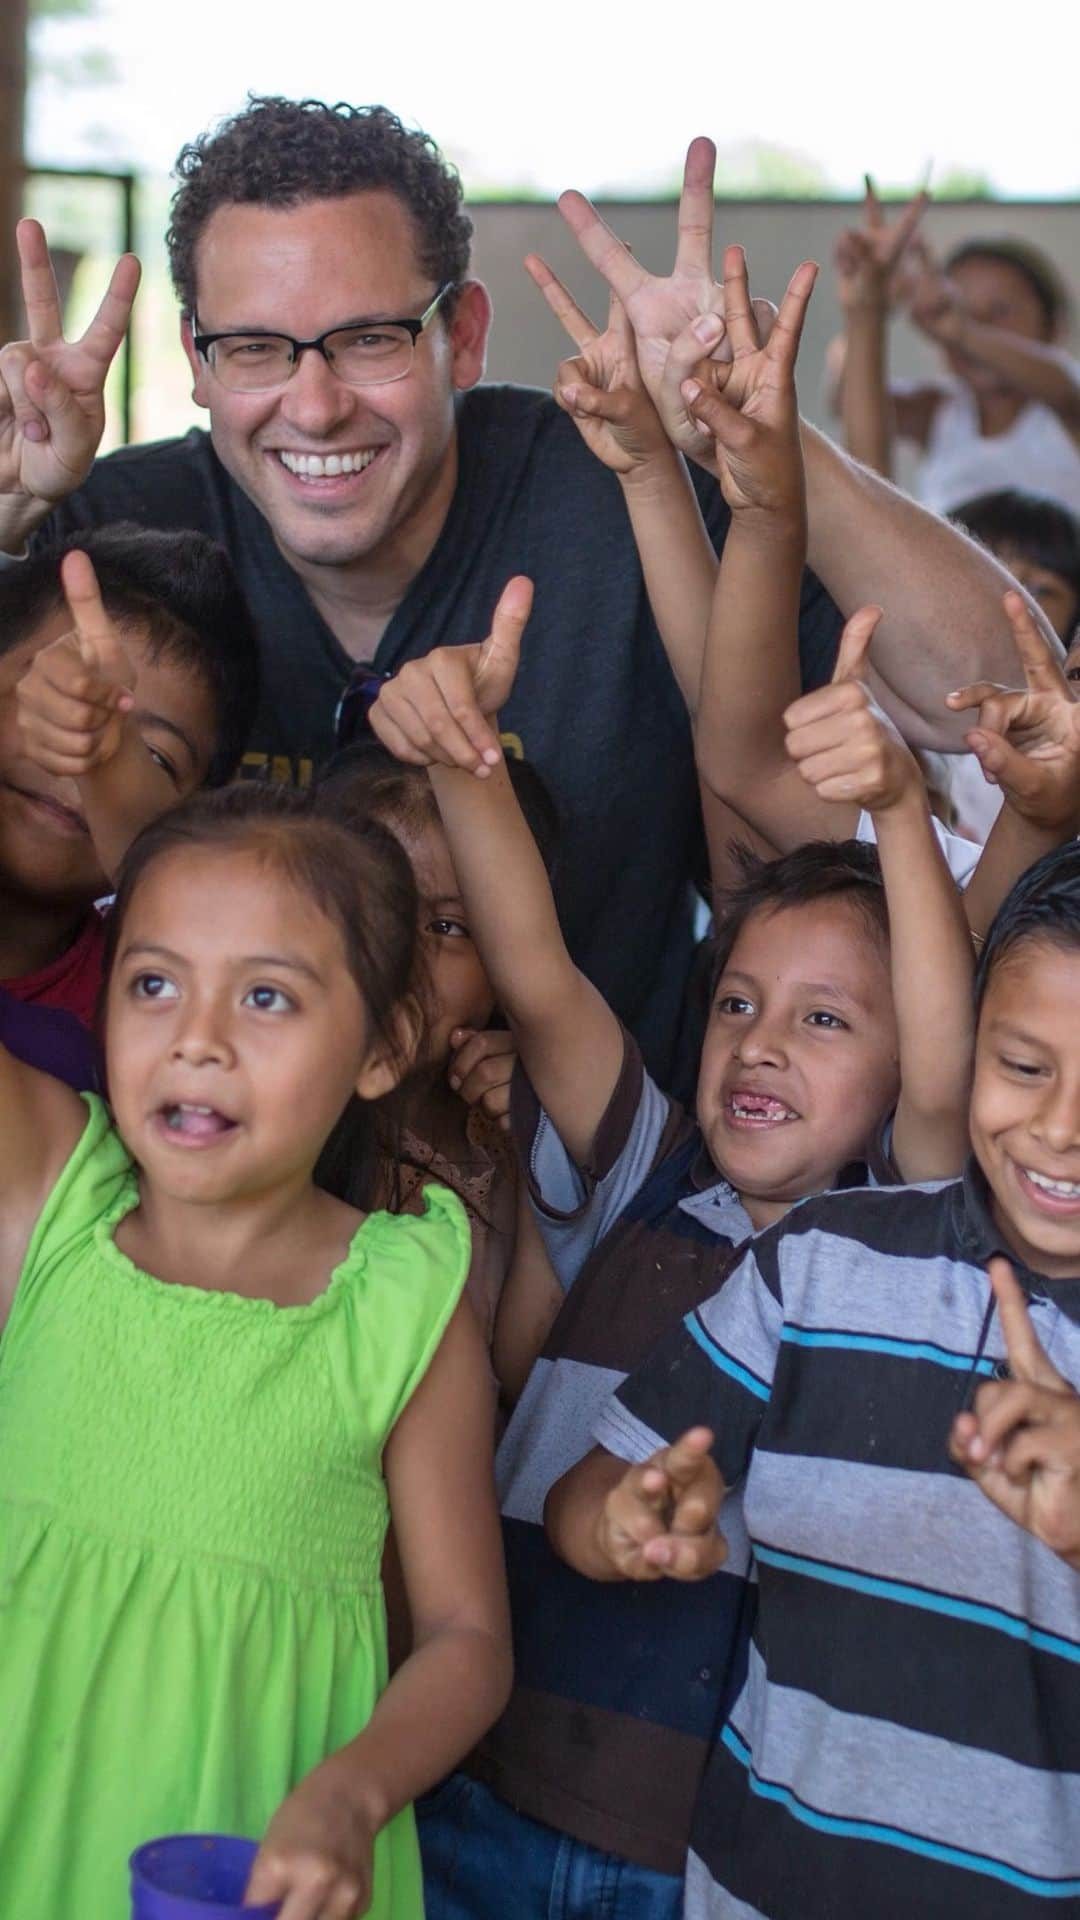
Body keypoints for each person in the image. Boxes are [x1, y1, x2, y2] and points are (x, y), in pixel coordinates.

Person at [0, 104, 1029, 1086]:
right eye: (256, 349)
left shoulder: (624, 484)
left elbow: (996, 690)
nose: (313, 408)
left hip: (606, 1197)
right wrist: (8, 510)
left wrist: (751, 438)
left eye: (370, 339)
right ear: (197, 361)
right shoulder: (117, 533)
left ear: (465, 337)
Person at [0, 780, 510, 1919]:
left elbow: (469, 1640)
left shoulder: (403, 1302)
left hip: (254, 1863)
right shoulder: (48, 1207)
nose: (197, 1038)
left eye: (267, 996)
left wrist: (354, 1792)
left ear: (383, 1049)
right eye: (153, 982)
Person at [549, 836, 1080, 1919]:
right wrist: (620, 1524)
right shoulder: (827, 1261)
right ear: (966, 1042)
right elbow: (585, 1498)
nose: (1060, 1128)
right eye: (1025, 1065)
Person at [315, 736, 563, 1395]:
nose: (407, 955)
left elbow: (519, 1367)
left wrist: (539, 1150)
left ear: (509, 965)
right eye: (377, 912)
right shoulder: (282, 1117)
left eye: (451, 928)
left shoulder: (499, 1147)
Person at [0, 525, 258, 1049]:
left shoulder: (157, 1018)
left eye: (154, 757)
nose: (80, 759)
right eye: (50, 697)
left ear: (200, 812)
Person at [830, 185, 1080, 513]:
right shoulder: (940, 410)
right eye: (957, 309)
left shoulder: (1064, 407)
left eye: (1000, 312)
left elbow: (1064, 386)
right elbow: (845, 402)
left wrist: (961, 331)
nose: (975, 325)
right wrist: (868, 311)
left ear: (1054, 325)